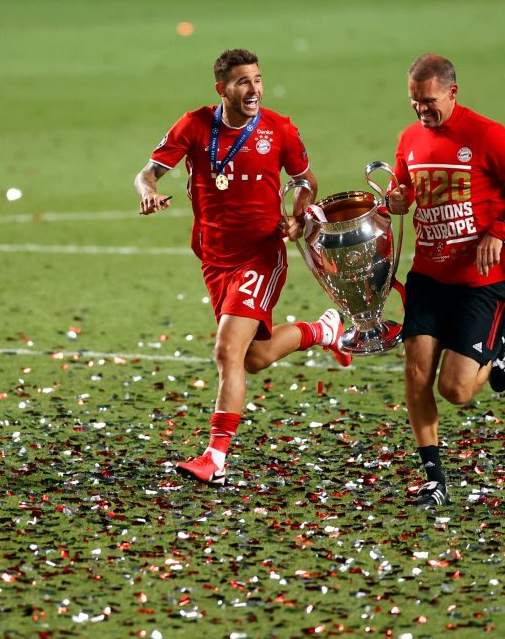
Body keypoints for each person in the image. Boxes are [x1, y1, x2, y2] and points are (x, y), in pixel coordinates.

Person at [135, 48, 352, 486]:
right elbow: (148, 172)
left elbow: (306, 180)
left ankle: (215, 457)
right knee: (253, 358)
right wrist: (148, 191)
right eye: (242, 82)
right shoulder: (195, 125)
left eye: (257, 79)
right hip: (214, 258)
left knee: (227, 351)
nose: (253, 89)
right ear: (222, 89)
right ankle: (323, 330)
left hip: (260, 254)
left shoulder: (279, 129)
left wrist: (298, 213)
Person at [387, 54, 505, 509]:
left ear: (453, 93)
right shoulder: (409, 139)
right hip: (427, 276)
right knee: (417, 374)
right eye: (414, 102)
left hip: (480, 283)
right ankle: (434, 479)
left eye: (429, 101)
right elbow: (405, 191)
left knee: (456, 390)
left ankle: (497, 349)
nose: (422, 111)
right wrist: (398, 199)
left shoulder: (486, 135)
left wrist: (500, 232)